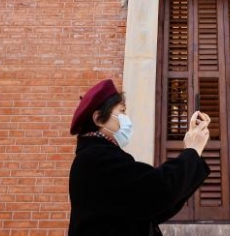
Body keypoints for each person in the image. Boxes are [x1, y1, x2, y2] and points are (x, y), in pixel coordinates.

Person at [67, 79, 210, 236]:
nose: (126, 118)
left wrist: (193, 154)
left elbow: (153, 209)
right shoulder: (97, 158)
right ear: (99, 119)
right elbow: (158, 190)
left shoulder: (96, 156)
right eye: (122, 112)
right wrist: (191, 151)